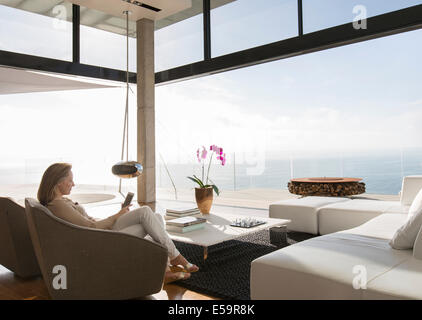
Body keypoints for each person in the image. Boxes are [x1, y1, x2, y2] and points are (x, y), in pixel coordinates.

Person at [37, 163, 199, 284]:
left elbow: (89, 222)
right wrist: (117, 215)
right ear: (58, 182)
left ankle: (165, 268)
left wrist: (117, 215)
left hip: (103, 231)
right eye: (70, 180)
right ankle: (175, 258)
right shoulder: (57, 205)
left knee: (155, 216)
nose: (73, 184)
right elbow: (90, 228)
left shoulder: (62, 201)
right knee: (146, 217)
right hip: (101, 241)